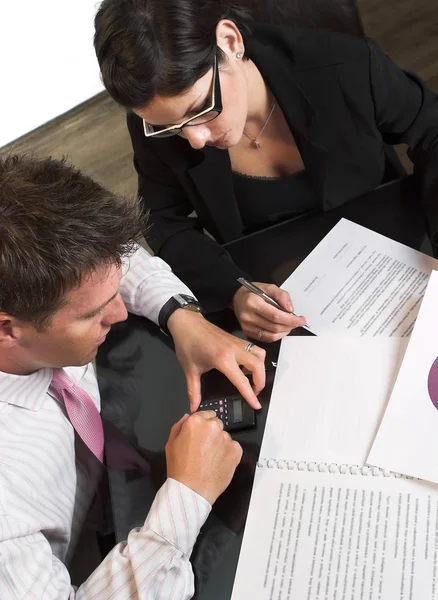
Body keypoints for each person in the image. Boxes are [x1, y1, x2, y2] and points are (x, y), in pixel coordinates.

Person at [0, 154, 266, 599]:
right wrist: (186, 496)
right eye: (93, 314)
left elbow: (117, 261)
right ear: (8, 329)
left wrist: (181, 316)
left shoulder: (39, 276)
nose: (120, 312)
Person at [94, 0, 438, 344]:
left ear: (230, 42)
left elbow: (433, 132)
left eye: (201, 108)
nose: (194, 139)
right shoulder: (156, 121)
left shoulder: (344, 65)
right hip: (281, 302)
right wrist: (233, 289)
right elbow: (160, 218)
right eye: (170, 127)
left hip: (395, 260)